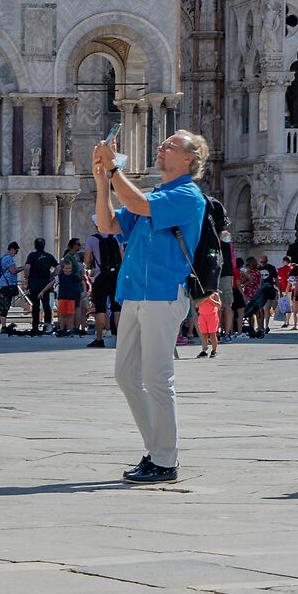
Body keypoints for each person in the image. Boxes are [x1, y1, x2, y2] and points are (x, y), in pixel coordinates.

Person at [94, 128, 209, 484]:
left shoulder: (189, 196)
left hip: (163, 293)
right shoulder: (153, 193)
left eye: (169, 145)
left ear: (189, 159)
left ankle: (165, 460)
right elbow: (107, 223)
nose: (160, 148)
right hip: (135, 293)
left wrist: (115, 171)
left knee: (158, 377)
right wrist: (102, 181)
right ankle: (156, 450)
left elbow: (136, 205)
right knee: (127, 375)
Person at [23, 237, 58, 336]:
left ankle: (35, 326)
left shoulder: (32, 255)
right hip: (46, 285)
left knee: (35, 306)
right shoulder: (49, 256)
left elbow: (27, 267)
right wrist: (53, 275)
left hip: (34, 284)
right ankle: (47, 325)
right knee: (46, 306)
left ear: (35, 246)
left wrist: (27, 277)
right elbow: (58, 266)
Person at [55, 240, 86, 337]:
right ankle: (68, 328)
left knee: (75, 310)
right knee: (68, 312)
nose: (80, 246)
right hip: (69, 289)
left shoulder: (73, 257)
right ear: (72, 246)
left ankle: (72, 328)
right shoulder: (69, 257)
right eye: (78, 244)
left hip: (74, 286)